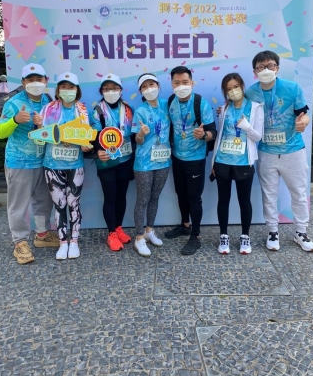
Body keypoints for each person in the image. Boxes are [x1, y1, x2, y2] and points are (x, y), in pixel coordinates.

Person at [245, 50, 313, 252]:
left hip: (293, 150)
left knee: (299, 193)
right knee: (269, 194)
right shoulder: (251, 93)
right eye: (261, 67)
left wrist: (303, 122)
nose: (266, 70)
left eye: (270, 66)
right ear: (255, 71)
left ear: (277, 68)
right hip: (266, 152)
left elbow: (304, 114)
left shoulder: (292, 88)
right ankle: (272, 231)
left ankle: (301, 232)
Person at [0, 63, 59, 265]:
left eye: (39, 79)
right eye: (30, 80)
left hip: (43, 160)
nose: (35, 83)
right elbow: (0, 133)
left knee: (44, 201)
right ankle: (20, 242)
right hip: (19, 162)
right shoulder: (13, 103)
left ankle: (42, 234)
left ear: (46, 81)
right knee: (18, 205)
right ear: (23, 82)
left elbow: (54, 130)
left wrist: (43, 124)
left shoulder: (49, 102)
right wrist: (14, 120)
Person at [39, 72, 93, 260]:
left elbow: (87, 136)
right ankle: (63, 242)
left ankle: (74, 241)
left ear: (77, 90)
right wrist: (39, 128)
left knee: (73, 203)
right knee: (59, 204)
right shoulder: (48, 109)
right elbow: (41, 136)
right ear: (58, 90)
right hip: (52, 164)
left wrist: (86, 145)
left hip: (75, 164)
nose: (67, 90)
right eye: (63, 87)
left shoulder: (83, 110)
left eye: (71, 87)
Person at [163, 65, 217, 255]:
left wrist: (204, 135)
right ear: (172, 84)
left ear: (192, 83)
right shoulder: (171, 101)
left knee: (194, 197)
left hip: (196, 158)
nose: (181, 86)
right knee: (181, 193)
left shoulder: (201, 103)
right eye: (177, 83)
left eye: (185, 82)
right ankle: (185, 225)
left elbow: (212, 131)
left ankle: (196, 235)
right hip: (177, 156)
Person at [210, 73, 264, 254]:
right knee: (223, 200)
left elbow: (258, 137)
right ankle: (223, 236)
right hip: (222, 161)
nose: (233, 91)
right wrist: (213, 162)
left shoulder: (255, 107)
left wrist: (247, 126)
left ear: (242, 86)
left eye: (235, 86)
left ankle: (245, 236)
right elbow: (220, 135)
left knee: (244, 201)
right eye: (229, 89)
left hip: (244, 162)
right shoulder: (225, 108)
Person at [89, 73, 136, 251]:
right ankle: (111, 234)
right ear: (101, 91)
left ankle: (118, 228)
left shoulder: (128, 108)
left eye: (114, 88)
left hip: (125, 159)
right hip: (107, 161)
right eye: (106, 89)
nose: (111, 92)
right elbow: (94, 135)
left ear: (120, 90)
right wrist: (98, 151)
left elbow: (133, 133)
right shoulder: (98, 110)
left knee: (121, 196)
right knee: (110, 197)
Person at [130, 73, 170, 257]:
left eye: (151, 84)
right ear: (141, 91)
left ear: (158, 86)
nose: (149, 89)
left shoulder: (166, 105)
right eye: (144, 87)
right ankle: (139, 237)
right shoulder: (140, 111)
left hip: (163, 160)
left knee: (155, 196)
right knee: (143, 199)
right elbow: (137, 141)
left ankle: (149, 230)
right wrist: (141, 133)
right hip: (144, 162)